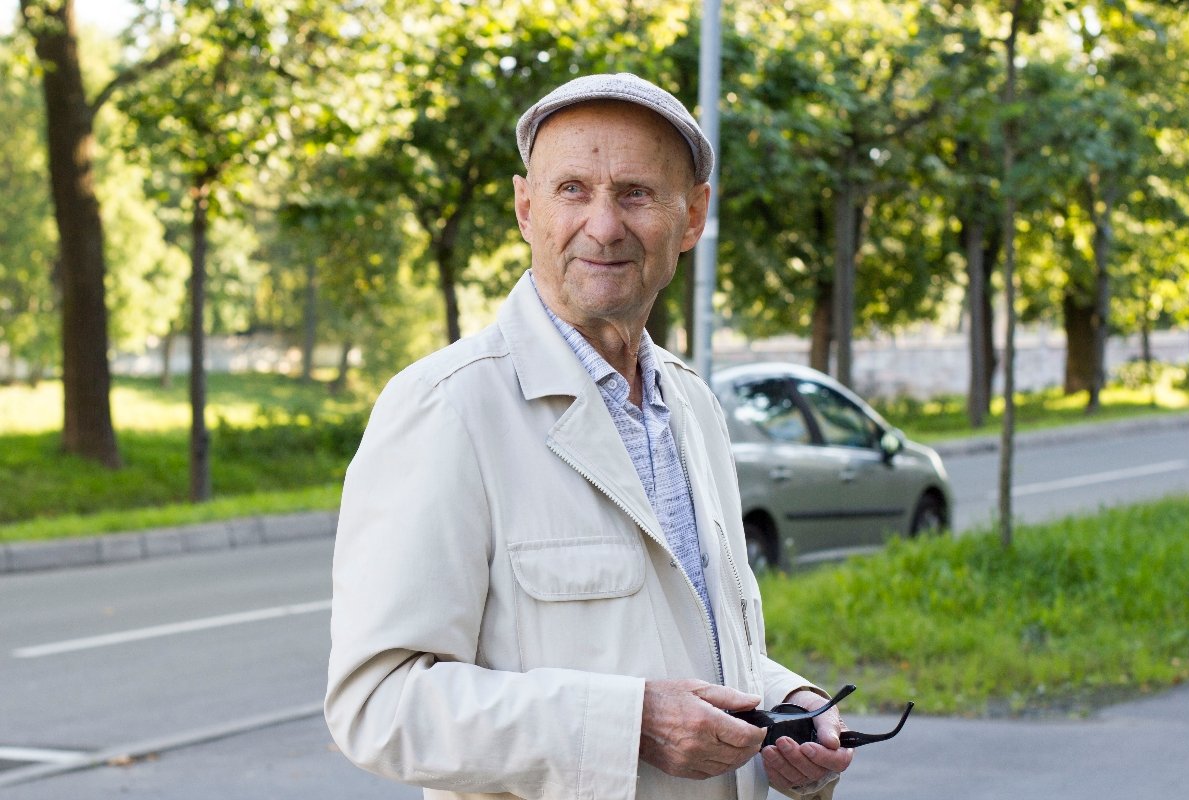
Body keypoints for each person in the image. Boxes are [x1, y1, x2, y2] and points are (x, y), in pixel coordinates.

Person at [325, 72, 854, 800]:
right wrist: (628, 722)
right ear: (525, 208)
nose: (603, 225)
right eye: (572, 189)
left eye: (635, 193)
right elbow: (378, 706)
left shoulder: (693, 406)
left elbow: (685, 639)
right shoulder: (446, 405)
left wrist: (785, 708)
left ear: (693, 216)